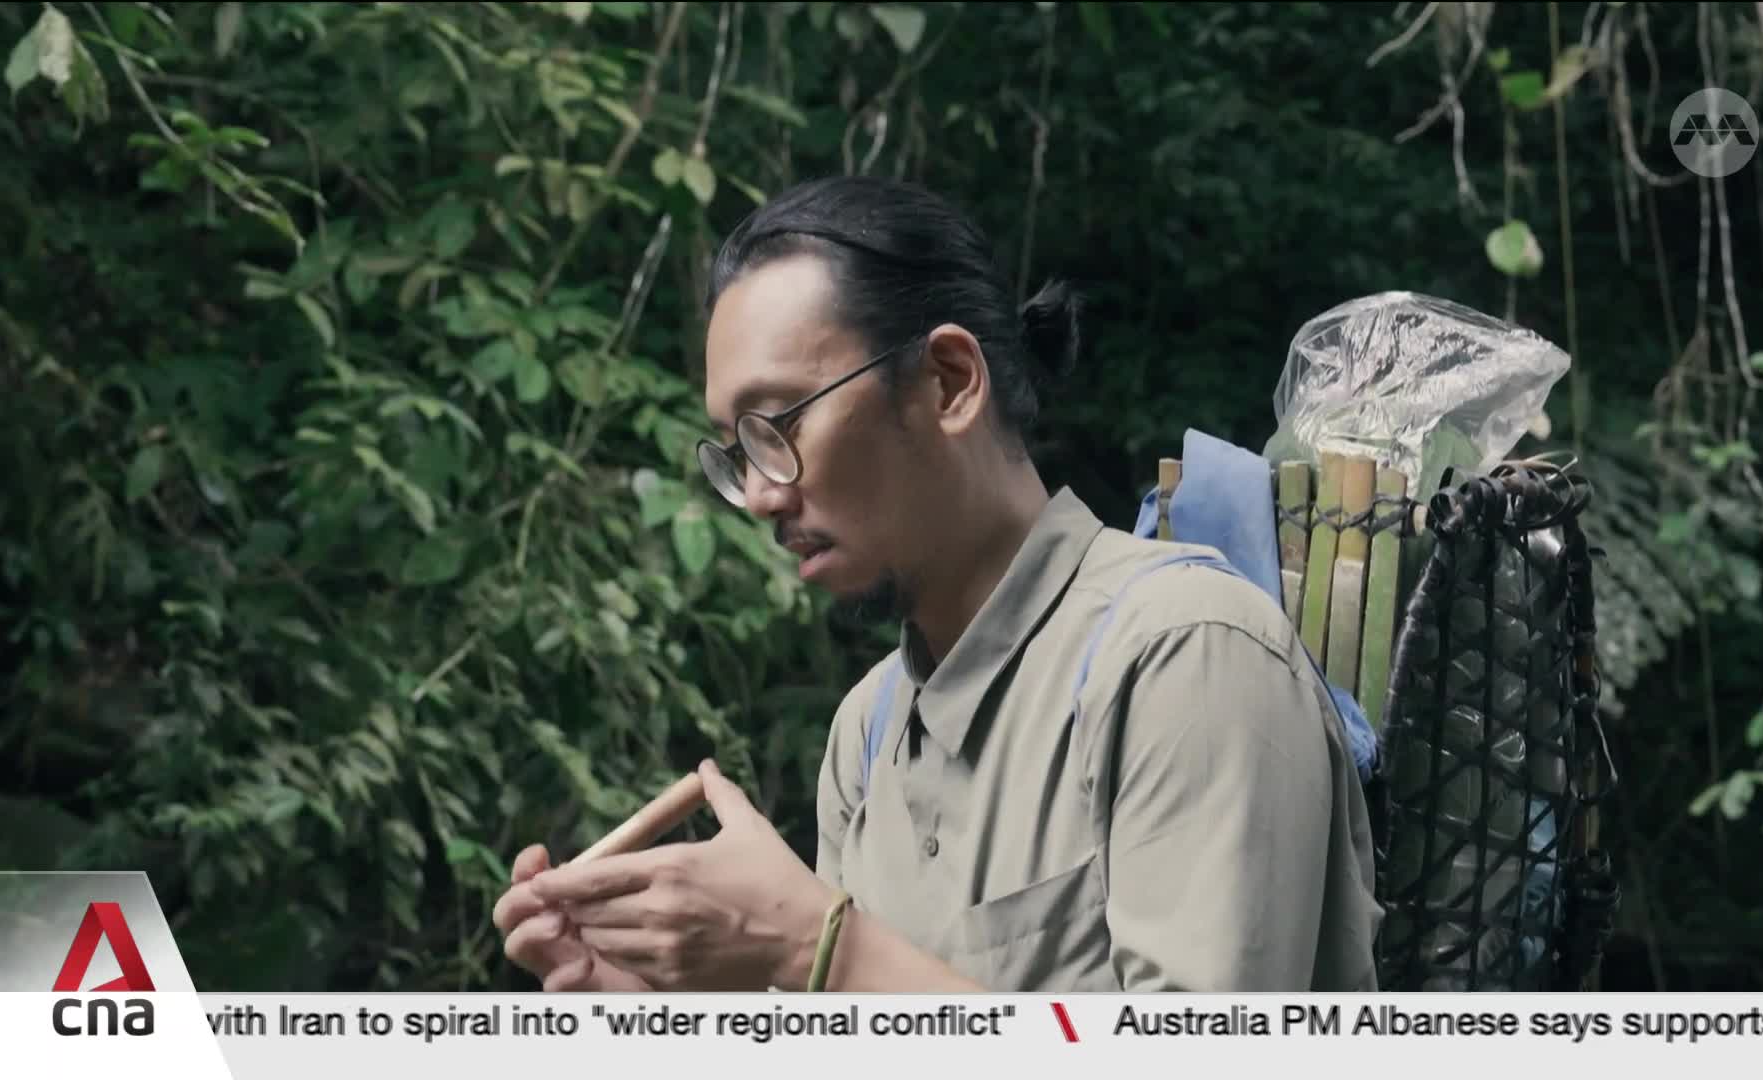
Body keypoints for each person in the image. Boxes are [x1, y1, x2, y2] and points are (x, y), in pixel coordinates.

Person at [491, 176, 1382, 993]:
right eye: (737, 449)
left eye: (780, 423)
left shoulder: (1183, 652)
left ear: (950, 381)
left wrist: (818, 949)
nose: (761, 493)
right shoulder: (867, 733)